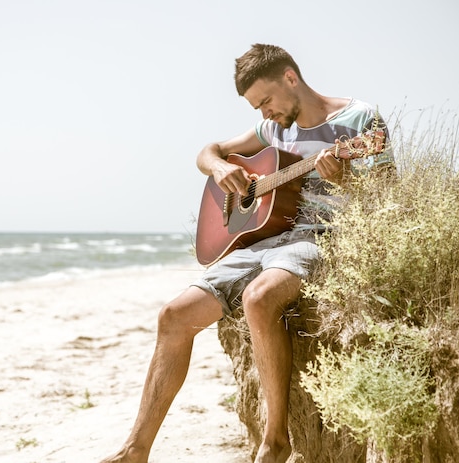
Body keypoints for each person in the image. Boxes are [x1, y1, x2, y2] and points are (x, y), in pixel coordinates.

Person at [100, 43, 394, 463]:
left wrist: (345, 177)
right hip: (262, 241)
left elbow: (386, 195)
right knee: (173, 316)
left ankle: (275, 442)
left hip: (320, 239)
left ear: (291, 78)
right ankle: (135, 450)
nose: (263, 115)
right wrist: (221, 168)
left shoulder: (360, 120)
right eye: (256, 107)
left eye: (266, 101)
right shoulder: (273, 130)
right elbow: (208, 151)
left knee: (258, 298)